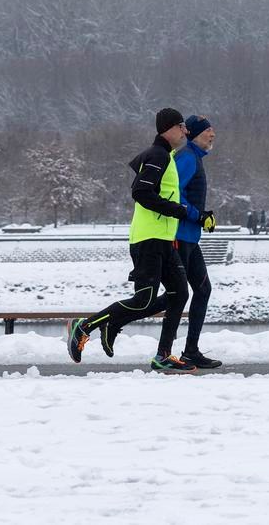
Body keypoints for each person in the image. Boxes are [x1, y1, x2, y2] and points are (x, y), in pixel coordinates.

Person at [66, 107, 196, 373]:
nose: (185, 131)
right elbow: (141, 192)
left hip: (162, 239)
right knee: (144, 299)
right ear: (168, 128)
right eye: (181, 126)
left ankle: (162, 355)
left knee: (179, 293)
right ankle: (85, 326)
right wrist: (180, 211)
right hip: (148, 239)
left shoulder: (164, 156)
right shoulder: (158, 156)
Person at [172, 114, 220, 369]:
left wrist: (202, 217)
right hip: (178, 237)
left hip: (190, 238)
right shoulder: (187, 158)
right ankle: (164, 353)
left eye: (213, 130)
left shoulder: (194, 158)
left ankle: (191, 351)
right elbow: (173, 195)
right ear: (194, 134)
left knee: (202, 290)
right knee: (171, 296)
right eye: (207, 131)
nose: (212, 135)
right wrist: (198, 215)